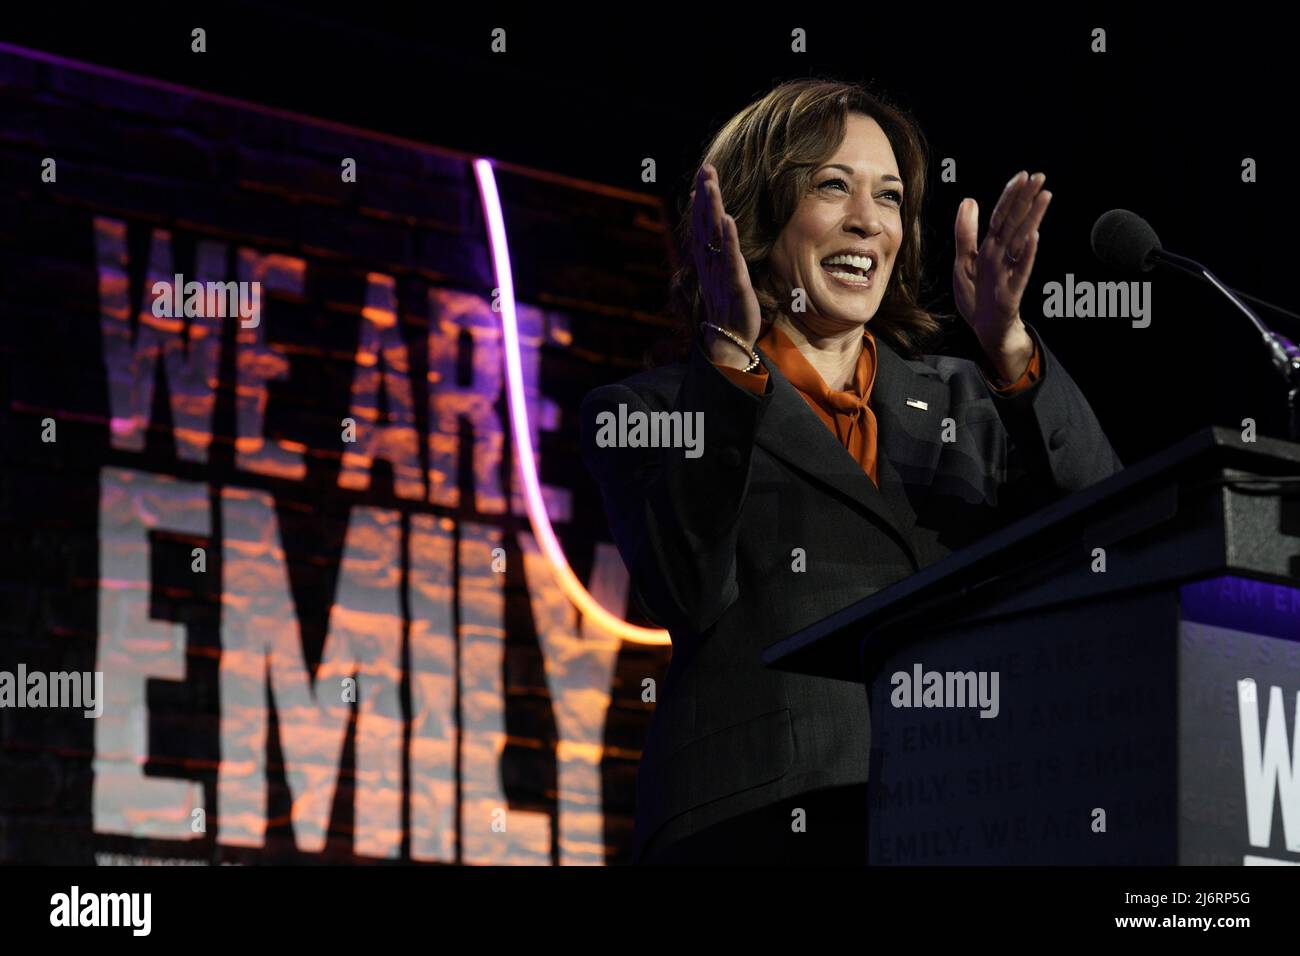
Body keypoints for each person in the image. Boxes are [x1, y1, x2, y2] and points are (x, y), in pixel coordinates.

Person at [579, 78, 1123, 865]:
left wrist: (1008, 345)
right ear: (751, 217)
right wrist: (730, 355)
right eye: (833, 186)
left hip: (968, 811)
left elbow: (1112, 537)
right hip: (761, 822)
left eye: (891, 197)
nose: (869, 221)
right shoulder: (645, 409)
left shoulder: (976, 399)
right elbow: (687, 588)